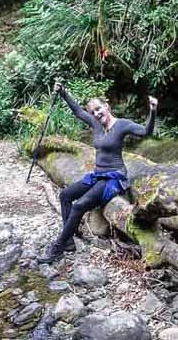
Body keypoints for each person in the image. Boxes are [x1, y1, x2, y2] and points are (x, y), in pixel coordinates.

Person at [39, 82, 158, 262]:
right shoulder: (96, 124)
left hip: (114, 178)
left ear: (107, 106)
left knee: (79, 206)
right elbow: (78, 112)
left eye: (98, 109)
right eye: (93, 111)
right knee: (65, 196)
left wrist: (153, 110)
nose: (95, 113)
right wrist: (63, 92)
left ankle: (58, 247)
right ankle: (69, 240)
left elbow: (145, 131)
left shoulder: (122, 125)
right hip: (97, 175)